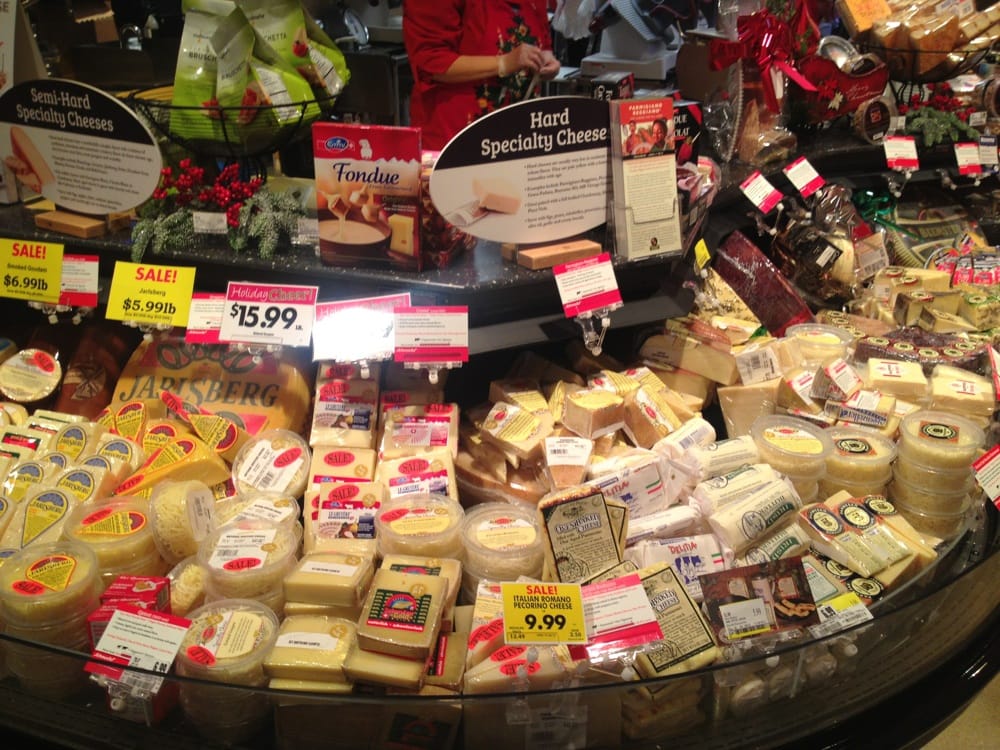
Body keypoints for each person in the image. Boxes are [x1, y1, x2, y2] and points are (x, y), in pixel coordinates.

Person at [404, 1, 561, 151]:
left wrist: (544, 57)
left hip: (518, 137)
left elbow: (541, 31)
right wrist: (503, 63)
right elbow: (431, 61)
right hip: (456, 138)